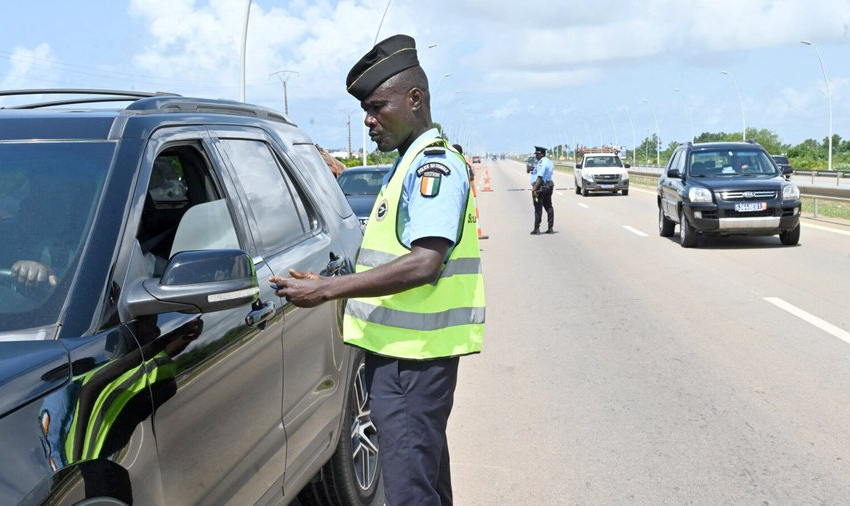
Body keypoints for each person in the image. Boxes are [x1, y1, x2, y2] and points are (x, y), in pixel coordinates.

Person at [269, 33, 485, 506]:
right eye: (366, 109)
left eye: (377, 106)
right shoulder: (408, 164)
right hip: (406, 356)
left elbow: (426, 262)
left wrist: (331, 289)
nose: (368, 120)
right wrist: (332, 279)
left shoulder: (432, 168)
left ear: (415, 99)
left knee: (408, 492)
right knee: (424, 483)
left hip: (413, 360)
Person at [530, 145, 555, 234]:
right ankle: (550, 228)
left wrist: (534, 189)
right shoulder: (549, 162)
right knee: (549, 207)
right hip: (548, 186)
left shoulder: (541, 163)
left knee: (538, 208)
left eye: (537, 154)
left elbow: (540, 177)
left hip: (541, 187)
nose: (536, 156)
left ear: (541, 154)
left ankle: (536, 229)